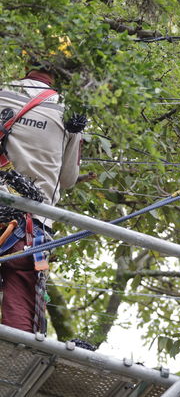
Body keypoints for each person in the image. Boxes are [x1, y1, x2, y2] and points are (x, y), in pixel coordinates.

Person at [0, 42, 84, 334]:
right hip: (30, 227)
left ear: (26, 62)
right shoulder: (68, 111)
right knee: (20, 313)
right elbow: (69, 179)